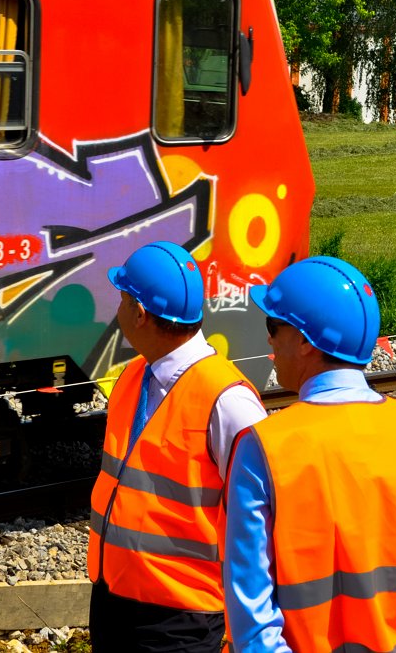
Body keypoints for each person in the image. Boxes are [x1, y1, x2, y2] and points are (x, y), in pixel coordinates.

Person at [223, 256, 396, 652]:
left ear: (306, 343)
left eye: (273, 327)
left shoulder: (263, 448)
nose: (269, 340)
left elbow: (253, 621)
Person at [87, 241, 266, 653]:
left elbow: (261, 520)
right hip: (114, 598)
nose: (117, 312)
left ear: (140, 314)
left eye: (122, 299)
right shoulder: (133, 378)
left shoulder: (229, 402)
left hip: (180, 618)